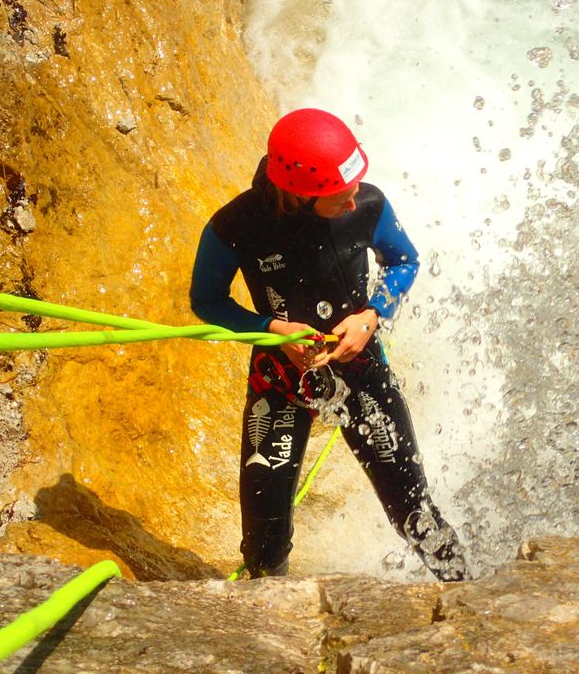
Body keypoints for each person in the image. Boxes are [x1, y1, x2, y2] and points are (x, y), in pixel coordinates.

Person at [189, 108, 467, 581]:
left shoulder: (369, 206)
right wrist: (271, 330)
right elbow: (207, 301)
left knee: (412, 509)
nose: (355, 202)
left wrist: (371, 316)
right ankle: (266, 628)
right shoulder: (235, 226)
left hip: (359, 369)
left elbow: (405, 260)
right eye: (341, 195)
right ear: (299, 193)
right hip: (280, 378)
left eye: (356, 186)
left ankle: (467, 594)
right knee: (264, 538)